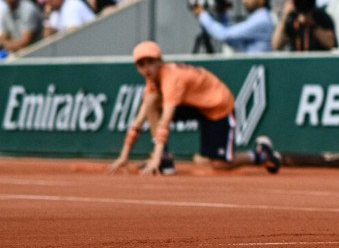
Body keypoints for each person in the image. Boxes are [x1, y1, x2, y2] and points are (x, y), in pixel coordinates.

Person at [107, 41, 282, 176]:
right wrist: (124, 156)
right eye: (141, 64)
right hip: (196, 105)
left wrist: (155, 157)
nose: (146, 68)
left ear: (160, 61)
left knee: (219, 165)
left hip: (218, 106)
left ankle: (261, 154)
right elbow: (139, 120)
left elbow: (165, 122)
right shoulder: (153, 80)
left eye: (150, 62)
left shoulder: (172, 79)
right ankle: (165, 159)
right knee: (151, 102)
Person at [192, 0, 276, 53]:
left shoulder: (261, 20)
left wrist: (202, 15)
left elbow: (224, 34)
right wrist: (222, 15)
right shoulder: (258, 17)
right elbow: (235, 42)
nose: (244, 0)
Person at [272, 0, 338, 51]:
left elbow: (330, 44)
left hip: (317, 59)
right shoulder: (289, 18)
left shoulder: (320, 15)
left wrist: (312, 24)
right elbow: (276, 45)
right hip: (296, 60)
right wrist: (284, 17)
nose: (299, 2)